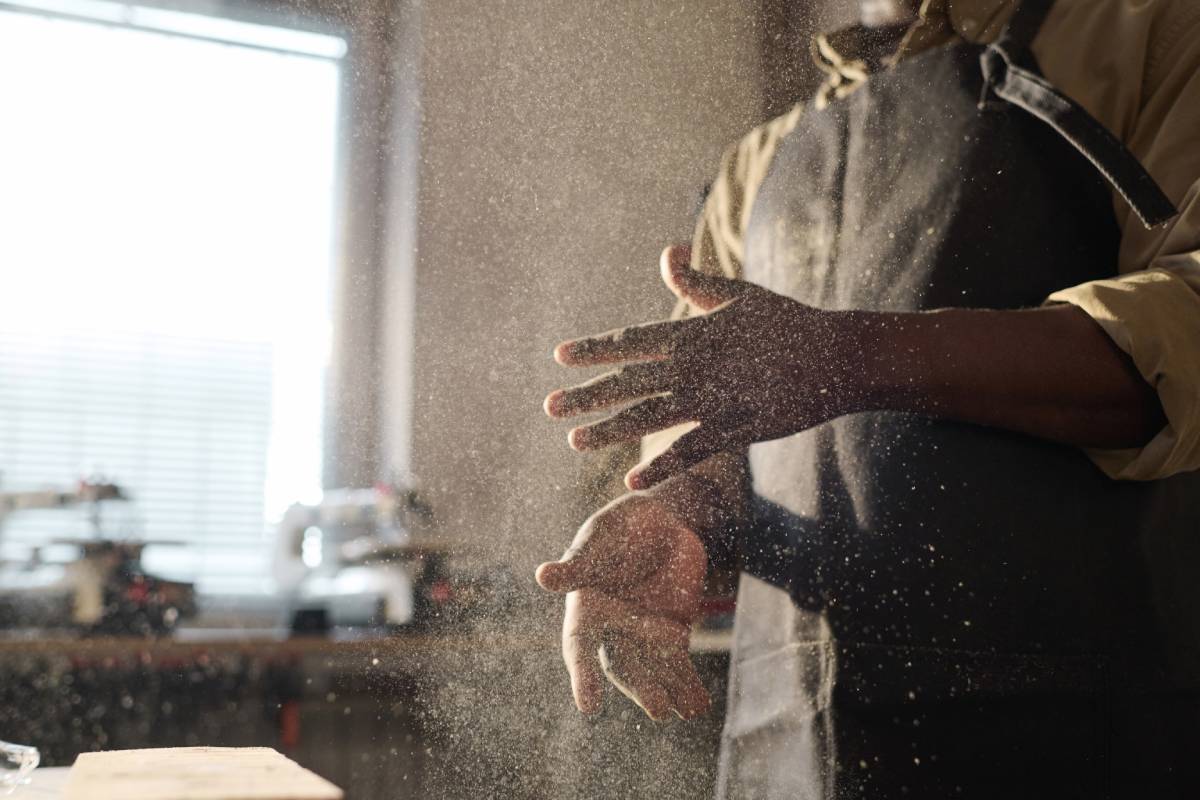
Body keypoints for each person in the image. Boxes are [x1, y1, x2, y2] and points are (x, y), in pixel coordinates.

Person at [538, 0, 1200, 796]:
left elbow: (1186, 326)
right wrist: (681, 505)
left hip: (1081, 726)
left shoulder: (1152, 34)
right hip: (791, 741)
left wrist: (854, 356)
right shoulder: (761, 157)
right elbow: (714, 423)